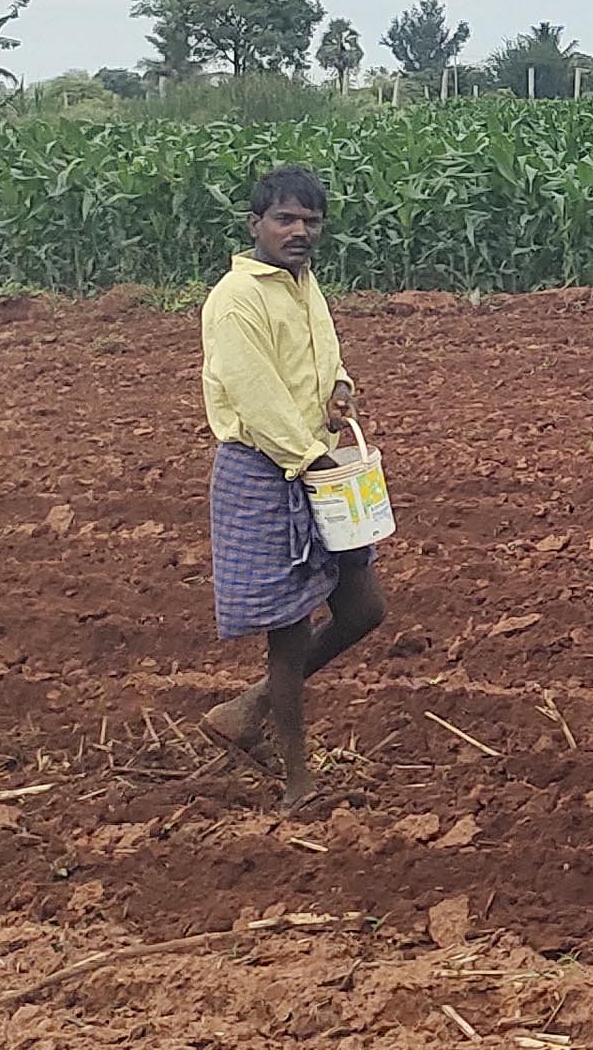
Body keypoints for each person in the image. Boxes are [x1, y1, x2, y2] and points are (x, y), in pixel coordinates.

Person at [198, 164, 389, 812]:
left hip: (315, 461)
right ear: (256, 225)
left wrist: (340, 390)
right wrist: (312, 458)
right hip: (266, 468)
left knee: (364, 608)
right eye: (285, 218)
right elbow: (255, 397)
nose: (299, 230)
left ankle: (247, 708)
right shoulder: (236, 297)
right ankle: (298, 781)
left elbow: (325, 353)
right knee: (287, 629)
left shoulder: (304, 283)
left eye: (311, 220)